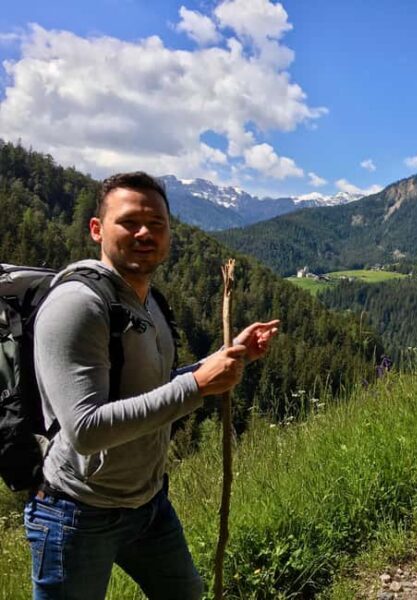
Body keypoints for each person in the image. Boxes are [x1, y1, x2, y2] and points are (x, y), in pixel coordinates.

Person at [24, 171, 279, 599]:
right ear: (96, 229)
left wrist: (227, 357)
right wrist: (197, 385)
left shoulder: (149, 300)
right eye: (129, 222)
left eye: (156, 224)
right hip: (77, 511)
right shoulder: (77, 306)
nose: (144, 233)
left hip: (148, 503)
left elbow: (157, 387)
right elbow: (85, 430)